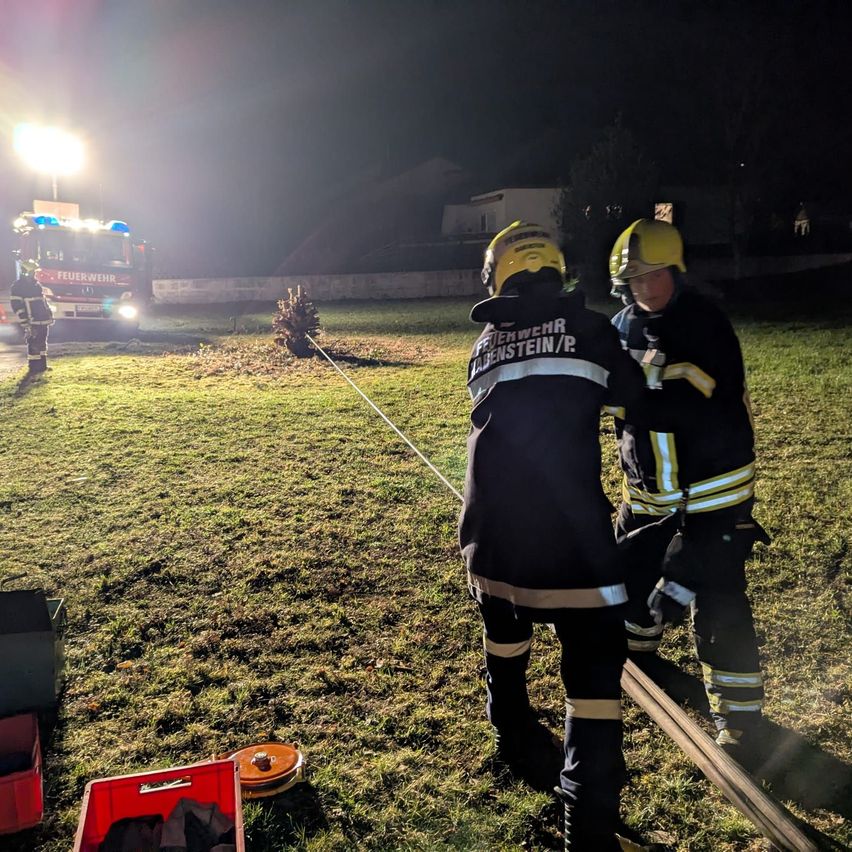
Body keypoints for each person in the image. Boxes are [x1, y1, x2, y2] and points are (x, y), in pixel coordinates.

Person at [459, 221, 648, 851]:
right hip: (571, 548)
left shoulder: (483, 345)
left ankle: (510, 729)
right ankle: (587, 820)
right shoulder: (592, 332)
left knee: (504, 633)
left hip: (488, 543)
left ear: (498, 278)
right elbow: (635, 400)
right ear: (557, 272)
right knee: (594, 676)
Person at [607, 218, 769, 754]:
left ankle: (741, 719)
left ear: (676, 270)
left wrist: (626, 398)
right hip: (649, 494)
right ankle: (640, 656)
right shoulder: (621, 327)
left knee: (716, 602)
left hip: (714, 494)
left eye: (655, 275)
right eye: (635, 280)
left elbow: (694, 401)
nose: (647, 288)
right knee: (629, 585)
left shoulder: (705, 325)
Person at [9, 259, 53, 376]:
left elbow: (42, 301)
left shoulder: (36, 285)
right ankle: (34, 368)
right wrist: (25, 322)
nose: (35, 274)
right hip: (31, 320)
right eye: (33, 272)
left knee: (42, 343)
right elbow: (17, 305)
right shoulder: (18, 286)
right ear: (26, 272)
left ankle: (42, 366)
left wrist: (49, 313)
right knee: (34, 344)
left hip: (43, 319)